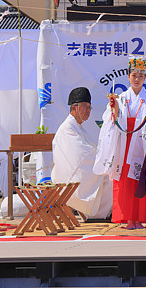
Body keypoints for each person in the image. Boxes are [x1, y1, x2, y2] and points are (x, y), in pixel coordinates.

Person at [95, 57, 146, 229]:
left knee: (142, 179)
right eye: (134, 75)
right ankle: (128, 218)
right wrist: (115, 111)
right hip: (124, 145)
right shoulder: (121, 97)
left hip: (143, 144)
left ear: (145, 77)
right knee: (125, 183)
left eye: (141, 75)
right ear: (128, 76)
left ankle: (139, 218)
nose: (137, 78)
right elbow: (108, 119)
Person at [52, 86, 113, 220]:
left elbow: (90, 149)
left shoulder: (77, 127)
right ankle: (97, 215)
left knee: (109, 173)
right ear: (74, 108)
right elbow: (82, 156)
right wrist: (103, 161)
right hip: (68, 179)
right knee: (109, 177)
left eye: (89, 107)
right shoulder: (67, 129)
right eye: (85, 106)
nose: (88, 110)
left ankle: (101, 213)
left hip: (77, 174)